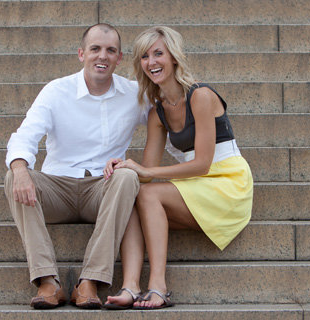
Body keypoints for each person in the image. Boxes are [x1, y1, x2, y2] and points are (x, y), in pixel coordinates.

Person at [102, 26, 253, 310]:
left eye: (158, 53)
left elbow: (202, 164)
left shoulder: (201, 96)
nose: (151, 62)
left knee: (148, 194)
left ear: (174, 57)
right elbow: (145, 172)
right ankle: (130, 286)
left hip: (227, 182)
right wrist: (122, 166)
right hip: (197, 187)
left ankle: (158, 286)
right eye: (145, 56)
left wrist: (147, 173)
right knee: (131, 195)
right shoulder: (156, 112)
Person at [4, 23, 147, 310]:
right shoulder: (57, 91)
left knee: (128, 176)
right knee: (14, 175)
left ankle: (90, 280)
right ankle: (47, 281)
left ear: (120, 58)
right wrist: (20, 169)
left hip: (102, 189)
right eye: (95, 49)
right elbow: (25, 135)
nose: (102, 56)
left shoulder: (134, 94)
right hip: (57, 188)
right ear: (82, 53)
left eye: (110, 50)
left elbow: (172, 121)